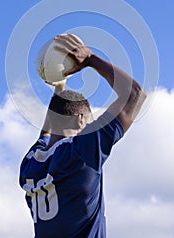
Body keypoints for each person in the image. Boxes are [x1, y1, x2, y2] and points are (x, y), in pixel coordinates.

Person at [19, 34, 146, 238]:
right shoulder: (80, 152)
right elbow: (135, 95)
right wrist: (90, 59)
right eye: (89, 120)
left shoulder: (30, 164)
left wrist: (59, 87)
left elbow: (45, 133)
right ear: (80, 119)